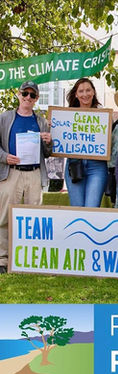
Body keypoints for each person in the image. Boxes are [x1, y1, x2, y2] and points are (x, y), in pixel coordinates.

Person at [0, 81, 52, 273]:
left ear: (36, 98)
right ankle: (2, 260)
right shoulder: (5, 118)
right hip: (11, 173)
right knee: (5, 217)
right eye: (25, 93)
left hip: (34, 174)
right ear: (19, 95)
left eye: (32, 95)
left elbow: (46, 153)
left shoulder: (41, 122)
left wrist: (49, 142)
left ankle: (30, 260)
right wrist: (5, 157)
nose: (27, 97)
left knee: (33, 219)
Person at [64, 78, 107, 207]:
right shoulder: (66, 116)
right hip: (74, 164)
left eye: (88, 90)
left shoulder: (103, 115)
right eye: (81, 91)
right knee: (77, 208)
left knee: (92, 208)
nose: (85, 94)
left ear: (93, 92)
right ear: (76, 94)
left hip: (97, 166)